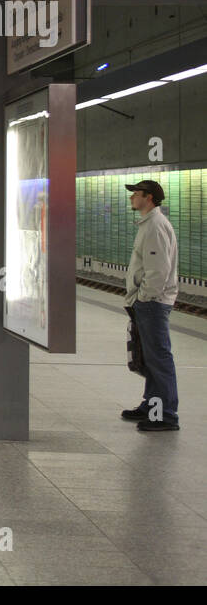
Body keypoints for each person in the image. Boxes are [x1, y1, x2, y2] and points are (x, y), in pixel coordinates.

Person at [122, 180, 180, 432]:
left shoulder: (155, 226)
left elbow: (158, 271)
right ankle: (151, 405)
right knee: (151, 357)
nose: (132, 197)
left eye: (136, 194)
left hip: (153, 303)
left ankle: (165, 414)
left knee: (159, 357)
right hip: (148, 302)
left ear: (150, 197)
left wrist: (144, 297)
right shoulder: (149, 224)